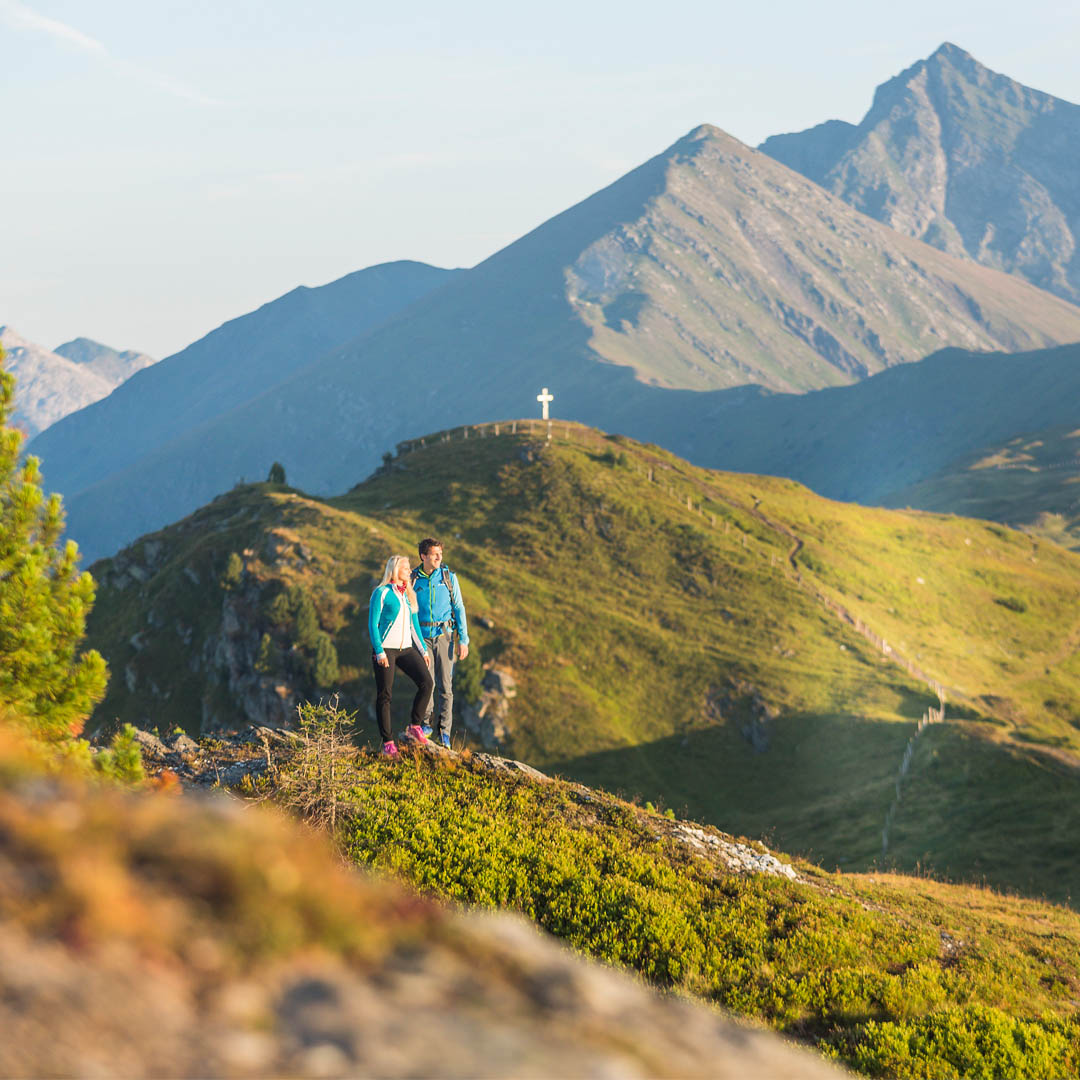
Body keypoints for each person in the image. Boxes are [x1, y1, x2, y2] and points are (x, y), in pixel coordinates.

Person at [368, 554, 434, 758]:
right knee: (385, 695)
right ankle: (388, 743)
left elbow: (414, 626)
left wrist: (422, 650)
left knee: (427, 683)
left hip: (406, 649)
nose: (409, 570)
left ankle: (414, 726)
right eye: (405, 568)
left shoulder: (408, 594)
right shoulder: (381, 592)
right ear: (395, 570)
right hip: (386, 650)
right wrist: (379, 651)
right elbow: (373, 624)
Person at [410, 538, 469, 748]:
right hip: (421, 637)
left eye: (440, 554)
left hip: (445, 636)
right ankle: (425, 725)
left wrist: (464, 639)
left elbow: (459, 608)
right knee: (427, 682)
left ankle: (444, 732)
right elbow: (407, 610)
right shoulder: (413, 579)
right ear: (423, 556)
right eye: (434, 554)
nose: (439, 558)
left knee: (446, 685)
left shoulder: (449, 578)